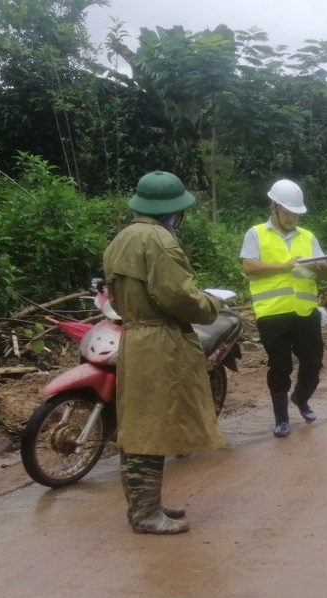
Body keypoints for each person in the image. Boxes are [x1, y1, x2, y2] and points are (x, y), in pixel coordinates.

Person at [103, 171, 226, 535]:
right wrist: (211, 305)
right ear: (173, 211)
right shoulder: (161, 242)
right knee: (150, 428)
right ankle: (144, 515)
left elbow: (113, 297)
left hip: (135, 337)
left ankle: (146, 506)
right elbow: (180, 298)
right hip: (160, 342)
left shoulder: (120, 239)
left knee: (140, 424)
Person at [240, 179, 327, 437]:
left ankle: (301, 398)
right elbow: (248, 266)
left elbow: (321, 275)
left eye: (296, 213)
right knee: (280, 366)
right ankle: (281, 419)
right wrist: (286, 265)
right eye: (288, 212)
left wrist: (325, 269)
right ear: (274, 208)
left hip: (306, 311)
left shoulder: (308, 237)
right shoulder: (256, 233)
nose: (293, 217)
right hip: (272, 313)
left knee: (313, 363)